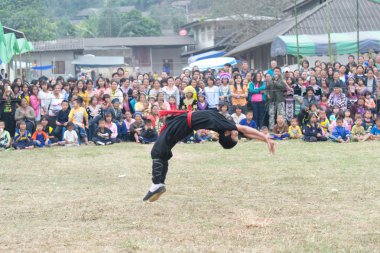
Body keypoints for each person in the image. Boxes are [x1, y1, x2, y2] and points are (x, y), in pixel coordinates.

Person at [142, 109, 275, 202]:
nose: (237, 133)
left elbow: (246, 131)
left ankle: (156, 184)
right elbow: (246, 132)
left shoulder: (224, 125)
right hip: (184, 122)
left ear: (227, 135)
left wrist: (265, 138)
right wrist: (265, 139)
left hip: (184, 123)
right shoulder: (224, 126)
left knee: (158, 151)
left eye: (235, 136)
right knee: (162, 150)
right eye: (236, 136)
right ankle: (159, 184)